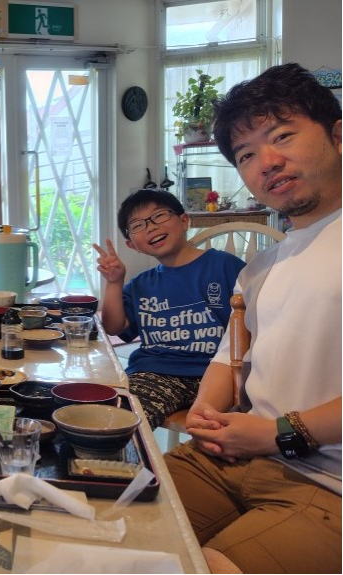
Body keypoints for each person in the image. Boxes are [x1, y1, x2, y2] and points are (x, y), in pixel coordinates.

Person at [165, 63, 341, 573]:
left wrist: (278, 433)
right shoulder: (260, 267)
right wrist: (204, 411)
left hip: (326, 484)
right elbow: (230, 358)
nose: (267, 162)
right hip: (233, 459)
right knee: (111, 522)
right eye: (245, 154)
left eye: (282, 136)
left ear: (337, 135)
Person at [93, 188, 245, 429]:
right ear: (132, 244)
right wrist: (114, 282)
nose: (151, 227)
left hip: (218, 372)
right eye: (138, 225)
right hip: (154, 373)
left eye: (159, 216)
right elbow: (114, 327)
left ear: (184, 221)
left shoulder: (223, 265)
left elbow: (257, 315)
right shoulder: (142, 284)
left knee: (215, 428)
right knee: (112, 416)